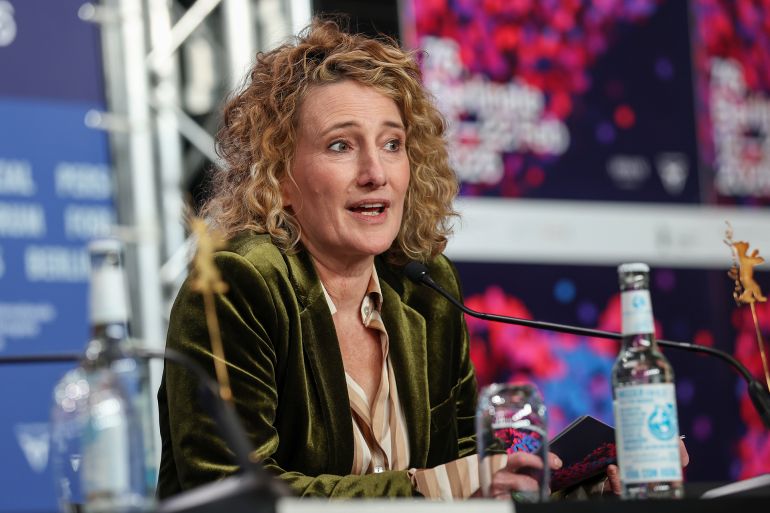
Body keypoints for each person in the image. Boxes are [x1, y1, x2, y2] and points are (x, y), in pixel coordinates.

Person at [157, 18, 681, 500]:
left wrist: (583, 488)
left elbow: (470, 477)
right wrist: (426, 488)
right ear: (279, 177)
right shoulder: (240, 282)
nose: (375, 172)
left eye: (392, 143)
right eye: (341, 146)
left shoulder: (423, 290)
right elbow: (233, 493)